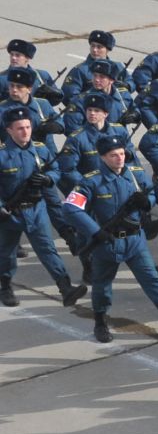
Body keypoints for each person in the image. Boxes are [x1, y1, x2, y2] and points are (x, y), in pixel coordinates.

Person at [62, 133, 158, 342]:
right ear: (102, 157)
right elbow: (71, 208)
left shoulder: (136, 173)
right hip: (107, 242)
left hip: (135, 240)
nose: (120, 158)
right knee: (102, 285)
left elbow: (152, 193)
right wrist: (95, 230)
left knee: (152, 279)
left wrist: (146, 202)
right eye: (113, 155)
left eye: (121, 153)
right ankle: (100, 321)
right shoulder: (91, 181)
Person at [0, 104, 86, 307]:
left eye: (28, 127)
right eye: (20, 128)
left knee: (48, 249)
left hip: (36, 209)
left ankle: (65, 288)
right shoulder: (2, 156)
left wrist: (48, 180)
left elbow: (56, 169)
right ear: (9, 130)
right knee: (5, 253)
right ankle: (5, 286)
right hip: (10, 213)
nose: (25, 132)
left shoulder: (40, 150)